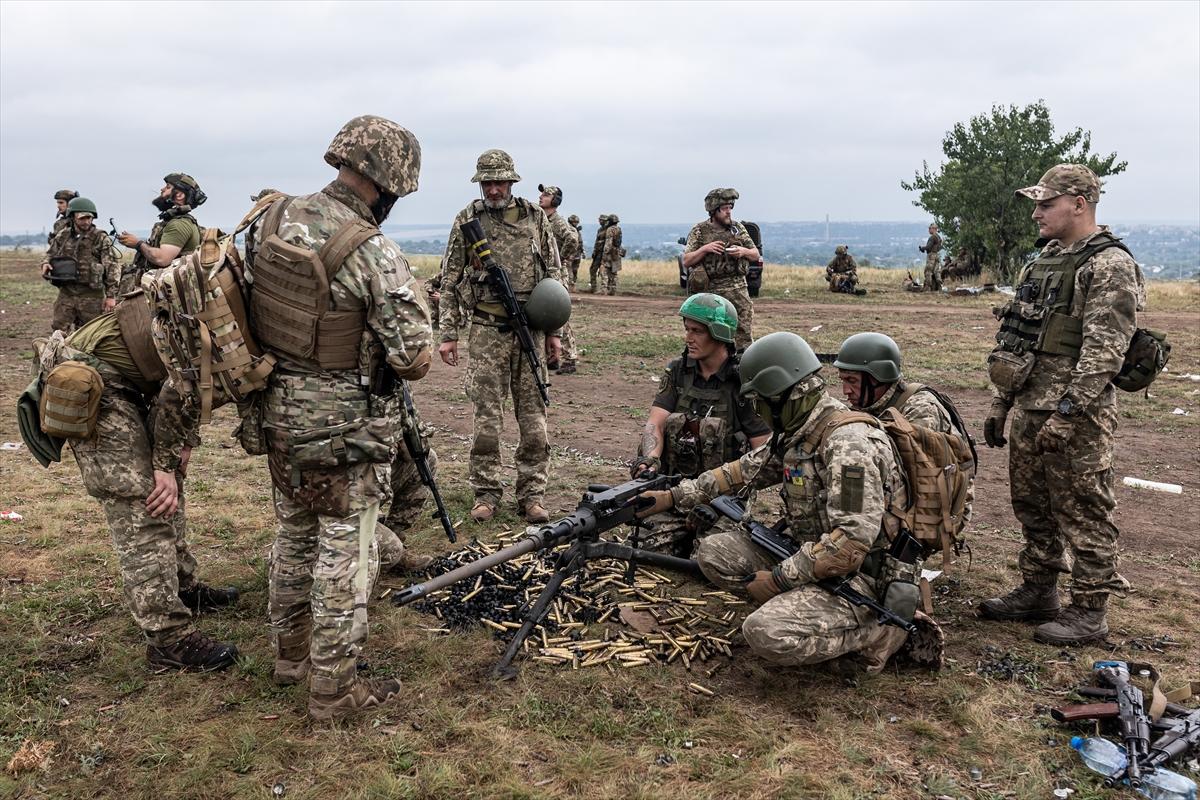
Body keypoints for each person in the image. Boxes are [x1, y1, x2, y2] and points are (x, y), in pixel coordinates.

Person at [245, 115, 433, 720]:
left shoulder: (268, 218)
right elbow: (413, 358)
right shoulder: (369, 248)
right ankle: (334, 689)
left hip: (275, 414)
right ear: (390, 181)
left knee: (293, 535)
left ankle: (289, 656)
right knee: (343, 554)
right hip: (343, 430)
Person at [637, 332, 941, 673]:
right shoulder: (802, 428)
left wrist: (780, 579)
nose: (756, 409)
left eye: (760, 400)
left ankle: (883, 630)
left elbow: (851, 545)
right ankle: (804, 605)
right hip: (811, 552)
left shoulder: (848, 445)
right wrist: (673, 496)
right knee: (714, 553)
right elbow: (740, 472)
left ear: (786, 395)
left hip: (861, 577)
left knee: (765, 633)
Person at [979, 164, 1144, 646]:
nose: (1036, 213)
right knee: (1033, 506)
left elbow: (1104, 351)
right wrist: (1000, 402)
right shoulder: (1042, 262)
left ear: (1080, 203)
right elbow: (1018, 339)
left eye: (1045, 204)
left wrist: (1068, 412)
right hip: (1032, 405)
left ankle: (1090, 611)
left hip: (1078, 415)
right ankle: (1039, 590)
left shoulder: (1108, 265)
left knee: (1085, 510)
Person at [35, 307, 239, 672]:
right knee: (146, 502)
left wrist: (176, 452)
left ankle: (181, 587)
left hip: (129, 382)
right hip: (94, 381)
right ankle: (168, 641)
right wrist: (163, 464)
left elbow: (184, 386)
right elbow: (179, 390)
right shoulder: (228, 312)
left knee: (169, 483)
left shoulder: (231, 298)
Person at [437, 149, 564, 524]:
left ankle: (532, 495)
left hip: (531, 331)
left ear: (511, 182)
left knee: (534, 420)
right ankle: (487, 493)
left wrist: (556, 332)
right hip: (486, 330)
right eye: (487, 183)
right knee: (487, 421)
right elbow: (449, 279)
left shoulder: (534, 216)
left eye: (499, 182)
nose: (493, 189)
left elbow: (554, 277)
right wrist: (448, 334)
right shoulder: (467, 219)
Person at [629, 294, 770, 555]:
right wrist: (649, 461)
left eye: (697, 331)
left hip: (722, 501)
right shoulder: (678, 372)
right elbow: (655, 424)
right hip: (674, 493)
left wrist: (723, 503)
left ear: (719, 334)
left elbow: (760, 455)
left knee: (710, 557)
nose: (688, 338)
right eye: (686, 330)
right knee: (646, 549)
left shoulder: (743, 383)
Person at [834, 331, 974, 531]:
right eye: (843, 380)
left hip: (935, 508)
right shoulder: (870, 403)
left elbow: (912, 473)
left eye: (852, 381)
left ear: (878, 377)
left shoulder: (921, 409)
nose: (845, 390)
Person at [683, 189, 759, 350]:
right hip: (711, 291)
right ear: (714, 210)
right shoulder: (700, 230)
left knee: (743, 333)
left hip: (738, 290)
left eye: (730, 207)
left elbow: (755, 254)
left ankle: (741, 366)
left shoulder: (737, 228)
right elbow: (687, 260)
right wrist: (705, 249)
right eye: (725, 208)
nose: (729, 212)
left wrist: (742, 251)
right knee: (709, 333)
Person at [117, 174, 205, 295]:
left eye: (168, 187)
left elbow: (162, 258)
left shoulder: (179, 224)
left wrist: (137, 244)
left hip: (170, 298)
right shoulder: (173, 222)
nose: (162, 189)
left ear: (179, 195)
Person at [41, 197, 121, 332]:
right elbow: (50, 254)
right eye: (82, 218)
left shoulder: (100, 238)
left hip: (92, 296)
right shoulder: (63, 235)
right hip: (67, 293)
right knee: (58, 330)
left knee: (90, 334)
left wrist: (111, 296)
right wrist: (45, 263)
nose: (87, 222)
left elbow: (112, 267)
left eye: (89, 218)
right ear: (72, 217)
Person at [539, 184, 581, 374]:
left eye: (546, 194)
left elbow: (572, 239)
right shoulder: (542, 219)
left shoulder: (558, 222)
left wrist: (561, 258)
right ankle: (553, 356)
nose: (541, 197)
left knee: (559, 316)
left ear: (555, 200)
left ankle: (570, 357)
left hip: (556, 273)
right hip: (545, 272)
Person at [599, 212, 623, 295]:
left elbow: (608, 243)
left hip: (609, 253)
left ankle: (604, 289)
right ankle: (613, 289)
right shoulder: (619, 229)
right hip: (617, 252)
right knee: (614, 272)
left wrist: (604, 254)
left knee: (604, 270)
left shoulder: (610, 230)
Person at [588, 214, 609, 293]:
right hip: (597, 253)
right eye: (599, 220)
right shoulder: (600, 229)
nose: (599, 221)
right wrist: (594, 251)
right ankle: (593, 288)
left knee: (603, 271)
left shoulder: (608, 230)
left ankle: (604, 288)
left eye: (601, 220)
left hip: (604, 253)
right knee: (592, 270)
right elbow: (597, 241)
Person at [918, 223, 942, 292]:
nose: (928, 230)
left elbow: (929, 247)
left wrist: (922, 248)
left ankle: (927, 288)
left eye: (930, 228)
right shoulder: (938, 237)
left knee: (928, 271)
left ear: (934, 229)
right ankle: (938, 288)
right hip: (936, 255)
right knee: (936, 272)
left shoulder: (932, 237)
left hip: (931, 256)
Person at [566, 213, 584, 289]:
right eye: (574, 222)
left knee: (574, 269)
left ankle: (572, 284)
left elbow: (580, 243)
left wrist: (582, 252)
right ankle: (571, 284)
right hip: (572, 253)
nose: (576, 224)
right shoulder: (572, 230)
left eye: (576, 222)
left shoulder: (576, 231)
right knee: (569, 269)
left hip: (576, 254)